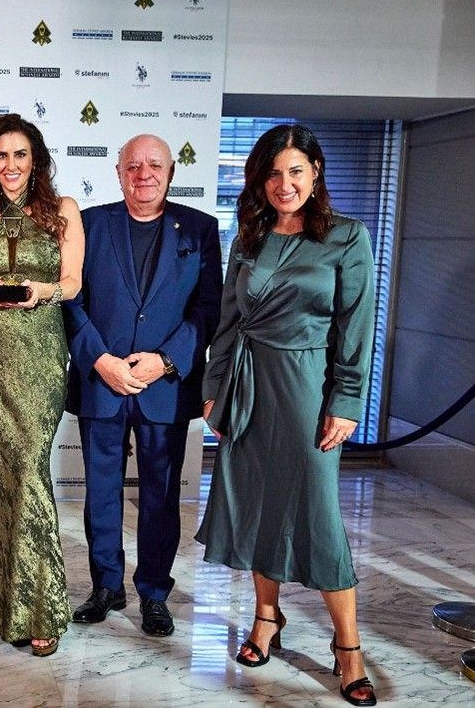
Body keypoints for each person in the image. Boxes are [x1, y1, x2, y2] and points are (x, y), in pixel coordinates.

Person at [196, 125, 377, 706]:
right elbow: (229, 321)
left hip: (308, 389)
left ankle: (347, 646)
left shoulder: (347, 236)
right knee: (256, 505)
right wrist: (214, 389)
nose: (284, 184)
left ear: (316, 172)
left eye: (295, 171)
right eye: (273, 174)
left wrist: (346, 400)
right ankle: (266, 619)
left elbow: (356, 327)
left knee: (318, 516)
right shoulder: (248, 237)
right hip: (249, 386)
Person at [64, 134, 222, 637]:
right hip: (102, 382)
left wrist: (167, 361)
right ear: (118, 172)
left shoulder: (200, 228)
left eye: (154, 165)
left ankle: (154, 593)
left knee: (160, 498)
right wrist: (100, 360)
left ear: (171, 171)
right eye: (133, 165)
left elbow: (208, 309)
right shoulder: (90, 224)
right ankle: (106, 586)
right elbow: (70, 300)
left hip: (164, 388)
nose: (144, 174)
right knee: (101, 494)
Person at [0, 114, 83, 657]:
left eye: (20, 155)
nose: (11, 165)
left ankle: (40, 606)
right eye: (1, 155)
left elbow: (74, 281)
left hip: (40, 354)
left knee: (28, 464)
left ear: (36, 160)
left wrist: (42, 290)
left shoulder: (63, 210)